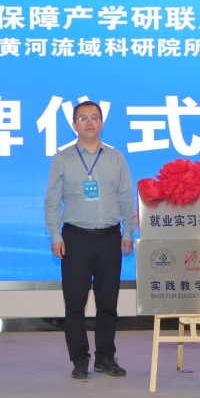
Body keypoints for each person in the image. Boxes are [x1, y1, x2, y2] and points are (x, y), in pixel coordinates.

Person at [44, 101, 137, 380]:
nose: (89, 122)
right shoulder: (62, 158)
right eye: (83, 118)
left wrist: (128, 231)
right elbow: (52, 201)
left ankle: (105, 357)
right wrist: (55, 235)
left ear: (102, 123)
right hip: (75, 238)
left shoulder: (116, 158)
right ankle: (79, 359)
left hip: (110, 238)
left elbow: (126, 197)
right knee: (75, 304)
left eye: (94, 117)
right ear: (74, 125)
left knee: (108, 303)